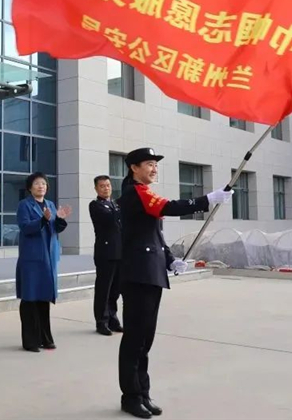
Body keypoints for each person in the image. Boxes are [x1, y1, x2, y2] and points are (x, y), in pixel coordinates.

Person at [117, 148, 233, 419]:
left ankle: (143, 393)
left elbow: (155, 235)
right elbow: (169, 207)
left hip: (151, 272)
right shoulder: (135, 192)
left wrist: (170, 260)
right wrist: (206, 200)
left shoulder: (144, 193)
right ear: (134, 168)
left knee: (145, 339)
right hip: (138, 275)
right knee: (135, 339)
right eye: (149, 164)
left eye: (155, 165)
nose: (154, 169)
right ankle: (130, 397)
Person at [15, 172, 72, 352]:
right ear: (30, 187)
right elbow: (25, 227)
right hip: (32, 258)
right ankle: (30, 341)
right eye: (37, 183)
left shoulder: (50, 204)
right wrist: (42, 220)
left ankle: (45, 338)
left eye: (44, 184)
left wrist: (60, 218)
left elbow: (54, 229)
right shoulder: (24, 205)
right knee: (30, 298)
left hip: (48, 257)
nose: (41, 186)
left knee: (44, 297)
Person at [89, 174, 123, 336]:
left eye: (108, 185)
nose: (106, 188)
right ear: (96, 188)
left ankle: (112, 319)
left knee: (115, 289)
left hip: (120, 252)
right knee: (104, 289)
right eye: (102, 186)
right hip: (106, 252)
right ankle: (101, 321)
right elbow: (109, 219)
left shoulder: (115, 204)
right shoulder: (95, 205)